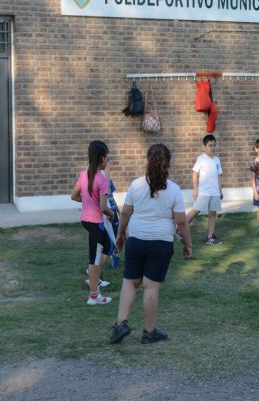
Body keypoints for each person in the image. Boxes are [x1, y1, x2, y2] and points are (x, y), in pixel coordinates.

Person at [109, 144, 192, 344]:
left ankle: (121, 323)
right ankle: (149, 332)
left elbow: (126, 213)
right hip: (161, 243)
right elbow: (181, 221)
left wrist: (121, 234)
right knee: (150, 287)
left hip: (136, 240)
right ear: (168, 164)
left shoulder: (136, 185)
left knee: (130, 281)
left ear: (148, 161)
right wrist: (187, 244)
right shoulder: (173, 189)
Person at [71, 140, 115, 306]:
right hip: (96, 223)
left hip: (86, 221)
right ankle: (94, 295)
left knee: (107, 246)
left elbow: (74, 195)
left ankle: (93, 279)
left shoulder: (84, 174)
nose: (107, 162)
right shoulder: (102, 180)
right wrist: (111, 215)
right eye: (107, 158)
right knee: (95, 260)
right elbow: (104, 207)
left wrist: (88, 202)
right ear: (102, 158)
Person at [186, 134, 224, 245]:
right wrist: (195, 189)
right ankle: (180, 228)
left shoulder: (217, 160)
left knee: (212, 213)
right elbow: (194, 174)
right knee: (195, 210)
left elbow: (219, 176)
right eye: (210, 145)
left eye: (214, 145)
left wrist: (220, 190)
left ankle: (210, 237)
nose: (212, 148)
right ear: (204, 146)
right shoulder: (201, 159)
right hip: (204, 192)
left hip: (215, 192)